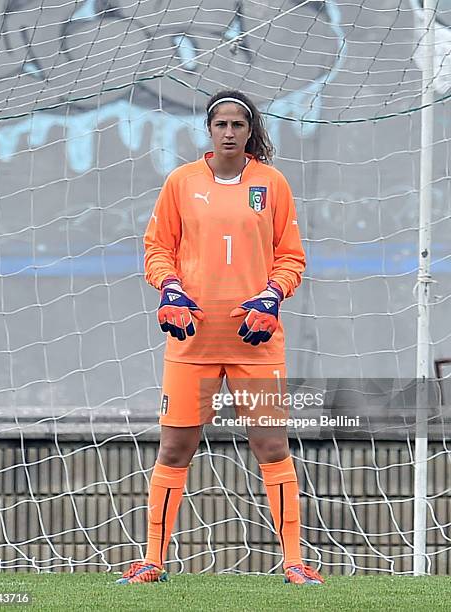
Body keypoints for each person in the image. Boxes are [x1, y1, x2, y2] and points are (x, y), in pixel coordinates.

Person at [116, 90, 323, 586]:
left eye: (238, 124)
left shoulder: (271, 184)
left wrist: (272, 296)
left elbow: (291, 257)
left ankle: (294, 562)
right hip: (192, 343)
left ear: (250, 131)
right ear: (208, 130)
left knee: (272, 446)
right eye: (220, 123)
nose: (229, 131)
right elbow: (156, 249)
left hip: (256, 343)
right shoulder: (181, 183)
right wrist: (168, 287)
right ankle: (153, 561)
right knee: (174, 450)